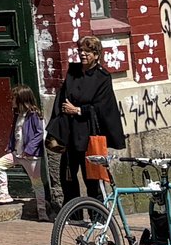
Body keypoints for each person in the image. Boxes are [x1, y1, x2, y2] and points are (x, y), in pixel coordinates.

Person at [46, 40, 126, 212]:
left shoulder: (102, 77)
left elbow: (103, 107)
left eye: (87, 52)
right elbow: (62, 97)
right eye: (80, 50)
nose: (82, 54)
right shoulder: (73, 71)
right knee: (67, 175)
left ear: (96, 55)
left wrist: (78, 110)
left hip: (89, 133)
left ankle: (97, 215)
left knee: (92, 178)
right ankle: (72, 214)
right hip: (70, 132)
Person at [0, 90, 46, 212]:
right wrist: (11, 146)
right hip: (17, 154)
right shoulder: (18, 114)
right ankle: (4, 193)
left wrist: (29, 150)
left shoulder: (34, 115)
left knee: (36, 182)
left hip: (30, 156)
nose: (12, 101)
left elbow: (39, 133)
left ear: (21, 100)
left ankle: (42, 209)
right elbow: (16, 133)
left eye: (14, 99)